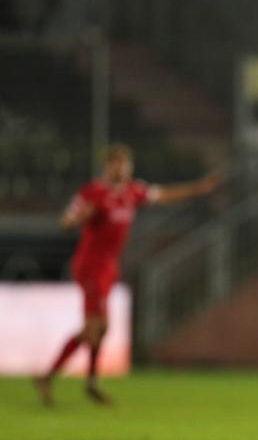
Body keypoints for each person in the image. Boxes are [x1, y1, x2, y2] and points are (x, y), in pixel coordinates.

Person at [34, 143, 222, 405]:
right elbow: (66, 222)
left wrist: (198, 188)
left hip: (109, 266)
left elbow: (164, 195)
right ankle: (54, 377)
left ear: (129, 167)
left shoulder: (133, 191)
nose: (120, 169)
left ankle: (86, 381)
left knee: (101, 328)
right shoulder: (93, 192)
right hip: (90, 265)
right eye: (115, 164)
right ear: (106, 167)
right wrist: (78, 219)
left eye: (124, 164)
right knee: (93, 327)